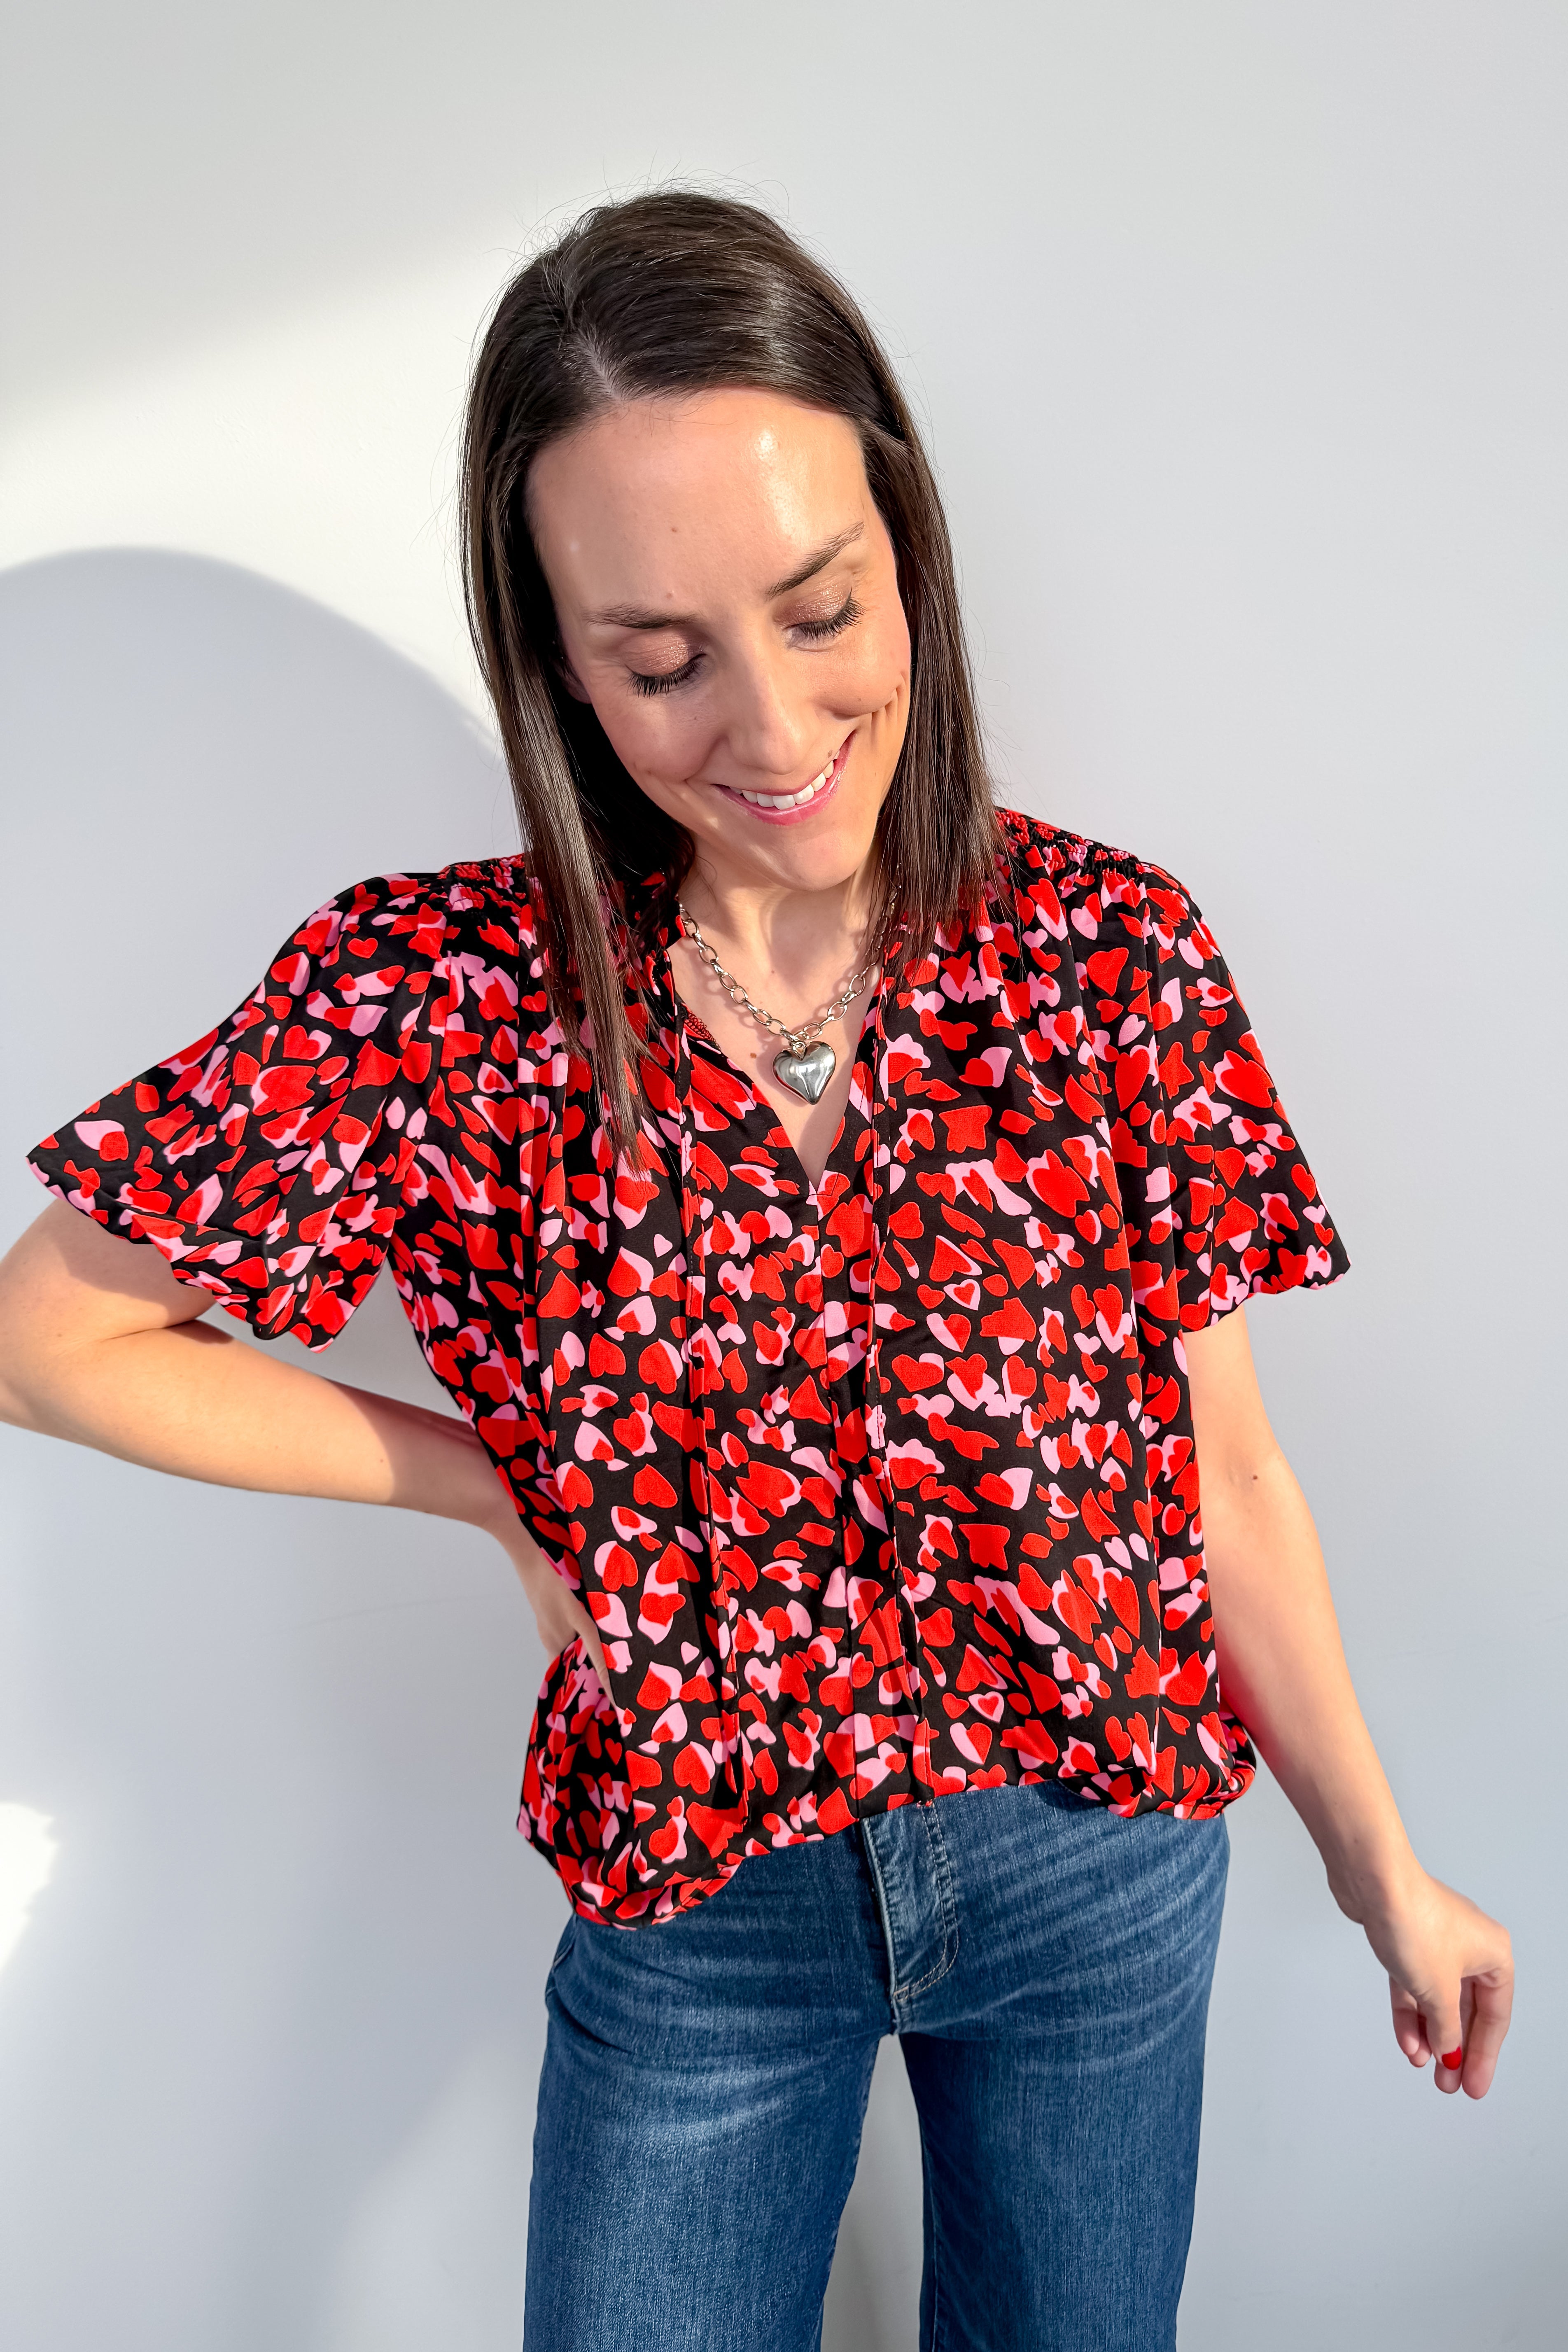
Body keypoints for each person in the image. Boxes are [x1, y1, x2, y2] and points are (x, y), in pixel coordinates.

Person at [0, 192, 1512, 2352]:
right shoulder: (435, 998)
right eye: (659, 658)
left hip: (1103, 1859)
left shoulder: (1110, 955)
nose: (775, 720)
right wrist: (497, 1483)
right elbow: (48, 1342)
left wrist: (1385, 1870)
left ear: (906, 549)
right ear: (555, 655)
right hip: (704, 1904)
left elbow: (1229, 1480)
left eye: (822, 607)